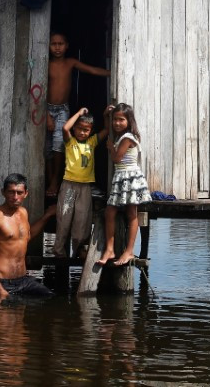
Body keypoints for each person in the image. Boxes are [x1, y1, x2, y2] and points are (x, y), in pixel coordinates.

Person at [46, 32, 110, 197]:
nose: (57, 47)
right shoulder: (45, 64)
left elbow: (92, 70)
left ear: (67, 46)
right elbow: (38, 87)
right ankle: (48, 179)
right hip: (46, 108)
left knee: (59, 145)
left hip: (62, 109)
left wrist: (112, 72)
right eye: (53, 44)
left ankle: (55, 181)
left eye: (61, 44)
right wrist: (45, 115)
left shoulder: (70, 62)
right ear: (47, 45)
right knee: (46, 148)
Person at [0, 173, 57, 298]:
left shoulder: (23, 212)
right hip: (3, 282)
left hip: (23, 280)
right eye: (11, 192)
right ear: (3, 192)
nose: (15, 197)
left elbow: (26, 237)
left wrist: (46, 216)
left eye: (19, 193)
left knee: (50, 298)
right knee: (4, 315)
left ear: (26, 193)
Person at [97, 103, 152, 266]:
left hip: (128, 177)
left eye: (121, 119)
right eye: (115, 119)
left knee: (130, 214)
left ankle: (128, 251)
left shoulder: (127, 138)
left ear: (129, 121)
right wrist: (105, 116)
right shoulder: (121, 136)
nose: (117, 123)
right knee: (111, 212)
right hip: (122, 177)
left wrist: (110, 148)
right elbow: (109, 132)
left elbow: (116, 159)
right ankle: (110, 249)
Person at [54, 107, 109, 258]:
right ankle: (58, 250)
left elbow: (106, 130)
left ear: (90, 131)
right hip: (69, 185)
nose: (83, 132)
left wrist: (105, 115)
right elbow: (65, 128)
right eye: (79, 129)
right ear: (75, 128)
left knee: (82, 219)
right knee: (64, 217)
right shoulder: (70, 142)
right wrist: (78, 114)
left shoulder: (91, 142)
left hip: (85, 187)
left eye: (86, 130)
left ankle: (78, 249)